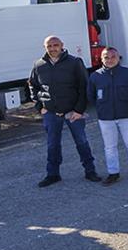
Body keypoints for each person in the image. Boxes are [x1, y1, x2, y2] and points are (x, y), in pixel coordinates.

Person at [30, 35, 100, 187]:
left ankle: (90, 171)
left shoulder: (74, 62)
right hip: (50, 113)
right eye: (49, 46)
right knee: (52, 145)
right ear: (45, 47)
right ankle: (53, 174)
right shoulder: (39, 65)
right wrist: (39, 107)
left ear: (62, 45)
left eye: (55, 45)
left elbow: (84, 86)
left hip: (73, 112)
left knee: (81, 142)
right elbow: (33, 86)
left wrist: (79, 110)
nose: (53, 48)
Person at [88, 47, 128, 185]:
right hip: (106, 118)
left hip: (126, 116)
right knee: (109, 147)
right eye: (106, 57)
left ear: (118, 57)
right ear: (101, 59)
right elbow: (91, 96)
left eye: (112, 57)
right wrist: (102, 109)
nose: (109, 60)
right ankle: (113, 173)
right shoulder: (95, 76)